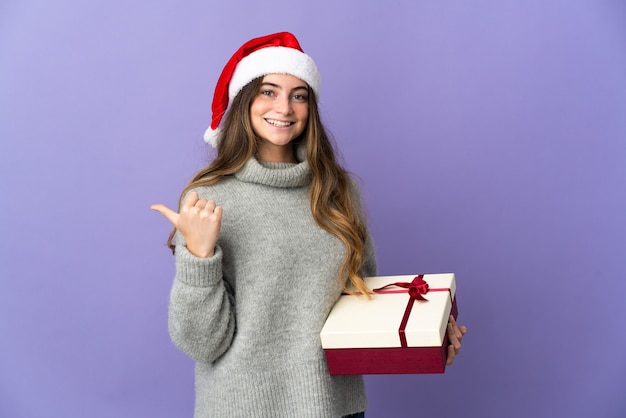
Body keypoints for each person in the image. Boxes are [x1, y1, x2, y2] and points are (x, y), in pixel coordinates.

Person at [151, 32, 466, 418]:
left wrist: (429, 337)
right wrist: (200, 257)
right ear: (245, 99)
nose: (284, 107)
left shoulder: (338, 190)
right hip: (244, 409)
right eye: (268, 91)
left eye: (298, 95)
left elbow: (359, 302)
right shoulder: (208, 199)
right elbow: (202, 342)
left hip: (336, 407)